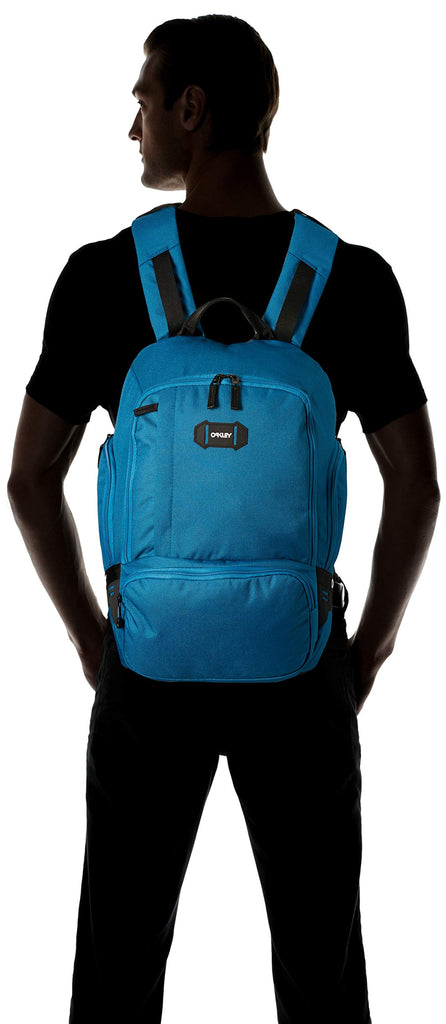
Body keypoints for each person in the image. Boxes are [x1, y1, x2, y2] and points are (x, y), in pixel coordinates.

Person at [7, 14, 440, 1024]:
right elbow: (417, 485)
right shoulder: (353, 279)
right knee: (321, 966)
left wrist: (94, 640)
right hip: (300, 665)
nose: (134, 129)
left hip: (148, 662)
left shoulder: (101, 277)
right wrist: (364, 652)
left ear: (193, 110)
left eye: (145, 103)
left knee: (117, 965)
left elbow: (29, 479)